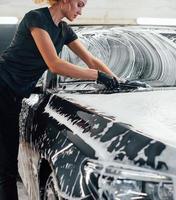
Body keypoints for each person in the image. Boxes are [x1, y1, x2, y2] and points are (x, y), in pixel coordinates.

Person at [0, 0, 120, 199]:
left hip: (14, 96)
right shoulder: (36, 18)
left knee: (8, 163)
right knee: (7, 167)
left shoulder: (64, 30)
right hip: (2, 86)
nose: (81, 11)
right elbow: (54, 64)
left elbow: (91, 60)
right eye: (79, 4)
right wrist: (98, 76)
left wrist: (118, 81)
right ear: (65, 0)